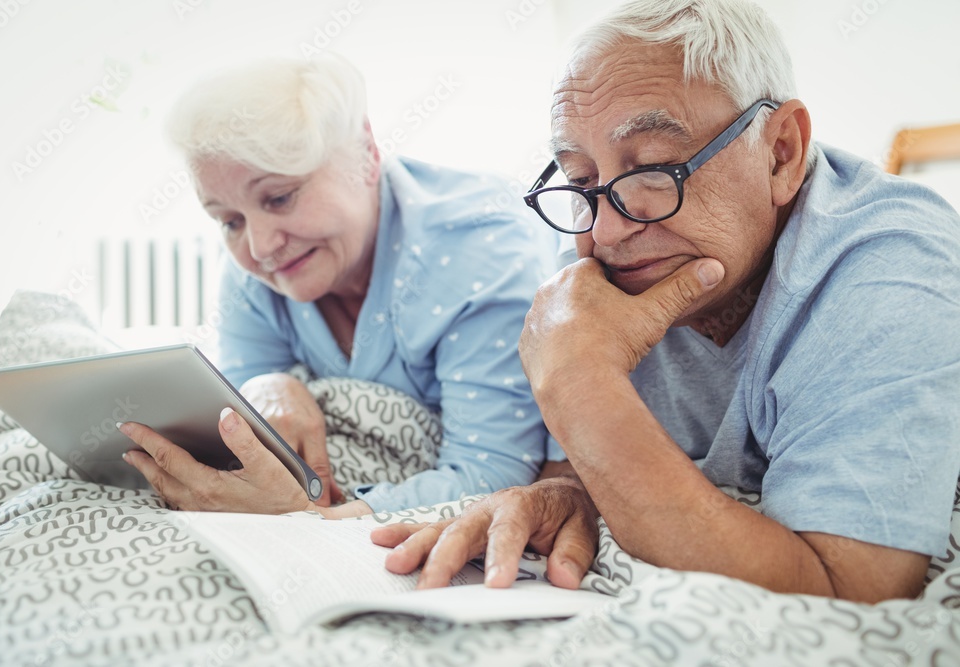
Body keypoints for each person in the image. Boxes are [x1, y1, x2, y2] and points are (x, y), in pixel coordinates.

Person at [372, 0, 960, 603]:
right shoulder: (596, 256)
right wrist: (566, 493)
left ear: (780, 152)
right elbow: (581, 468)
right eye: (579, 181)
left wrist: (580, 383)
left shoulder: (889, 264)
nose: (603, 231)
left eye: (653, 169)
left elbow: (853, 593)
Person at [117, 54, 559, 518]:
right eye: (228, 220)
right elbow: (244, 424)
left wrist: (312, 520)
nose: (261, 245)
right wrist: (272, 384)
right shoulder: (255, 271)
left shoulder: (479, 249)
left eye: (280, 197)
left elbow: (493, 475)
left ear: (365, 154)